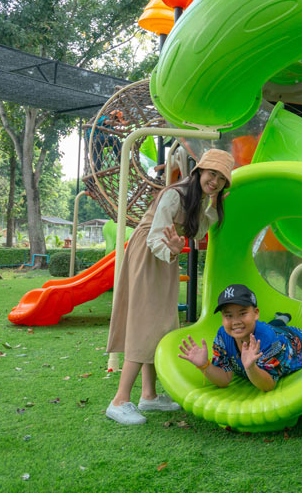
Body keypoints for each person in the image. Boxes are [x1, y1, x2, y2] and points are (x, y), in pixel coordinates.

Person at [105, 148, 234, 425]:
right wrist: (172, 251)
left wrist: (213, 205)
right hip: (149, 253)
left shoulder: (200, 200)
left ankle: (149, 396)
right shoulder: (175, 195)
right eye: (212, 174)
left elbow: (199, 233)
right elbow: (154, 237)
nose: (215, 182)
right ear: (199, 170)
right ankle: (119, 400)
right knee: (146, 323)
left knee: (160, 323)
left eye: (222, 179)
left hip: (166, 257)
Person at [177, 284, 302, 392]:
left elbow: (268, 385)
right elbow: (224, 380)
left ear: (256, 313)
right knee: (266, 327)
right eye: (228, 315)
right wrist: (205, 365)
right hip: (270, 331)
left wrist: (251, 367)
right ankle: (281, 318)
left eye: (242, 313)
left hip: (295, 342)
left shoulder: (270, 341)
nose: (235, 321)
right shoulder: (223, 336)